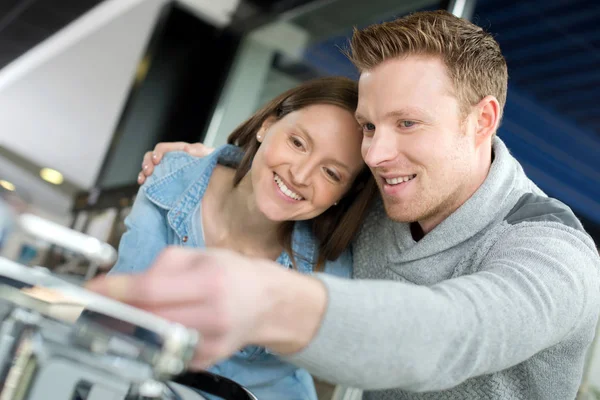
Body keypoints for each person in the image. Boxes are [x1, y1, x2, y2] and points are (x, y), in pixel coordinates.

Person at [89, 10, 600, 400]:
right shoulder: (384, 197)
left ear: (483, 121)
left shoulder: (556, 252)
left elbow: (451, 332)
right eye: (371, 125)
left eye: (407, 124)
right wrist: (210, 165)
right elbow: (295, 180)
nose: (375, 155)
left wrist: (267, 301)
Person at [106, 76, 377, 400]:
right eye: (297, 143)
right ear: (266, 126)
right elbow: (121, 315)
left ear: (343, 194)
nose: (301, 175)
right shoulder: (173, 178)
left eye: (331, 173)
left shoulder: (332, 269)